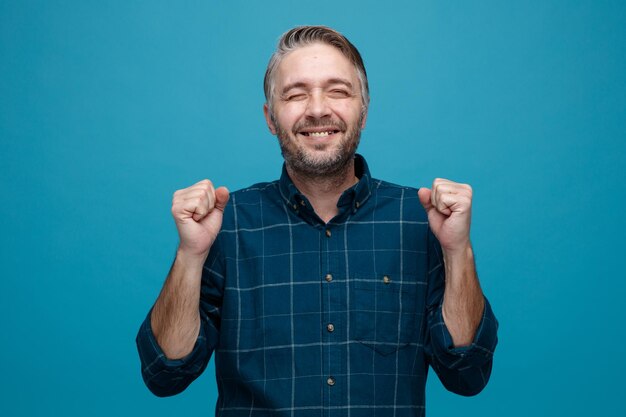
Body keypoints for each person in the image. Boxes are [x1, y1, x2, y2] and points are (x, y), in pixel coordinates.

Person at [136, 25, 498, 416]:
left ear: (364, 110)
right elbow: (164, 374)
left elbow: (467, 375)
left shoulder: (422, 220)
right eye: (295, 94)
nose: (317, 109)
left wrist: (458, 250)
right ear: (271, 118)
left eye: (338, 91)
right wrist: (190, 255)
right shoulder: (225, 224)